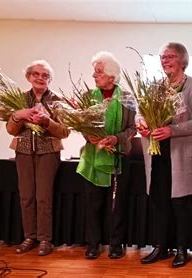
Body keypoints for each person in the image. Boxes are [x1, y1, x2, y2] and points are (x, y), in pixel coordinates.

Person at [135, 42, 192, 268]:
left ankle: (182, 249)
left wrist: (172, 130)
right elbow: (140, 113)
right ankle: (160, 246)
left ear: (183, 61)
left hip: (182, 155)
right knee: (158, 202)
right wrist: (142, 123)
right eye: (162, 57)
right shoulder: (155, 87)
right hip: (157, 154)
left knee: (181, 204)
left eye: (170, 56)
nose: (164, 60)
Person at [77, 51, 136, 260]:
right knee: (93, 204)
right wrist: (89, 135)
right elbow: (81, 124)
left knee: (117, 206)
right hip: (93, 159)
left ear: (111, 75)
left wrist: (115, 139)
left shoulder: (128, 98)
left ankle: (116, 244)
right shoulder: (87, 97)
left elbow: (132, 129)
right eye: (95, 71)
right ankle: (92, 244)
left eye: (99, 71)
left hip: (118, 157)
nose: (94, 75)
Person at [7, 60, 69, 256]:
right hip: (23, 152)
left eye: (45, 75)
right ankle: (29, 237)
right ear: (29, 77)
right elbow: (11, 129)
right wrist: (19, 115)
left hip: (48, 153)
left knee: (44, 198)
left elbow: (64, 132)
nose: (40, 78)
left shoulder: (57, 101)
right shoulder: (19, 100)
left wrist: (47, 121)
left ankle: (45, 240)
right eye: (36, 74)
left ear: (49, 79)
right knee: (26, 197)